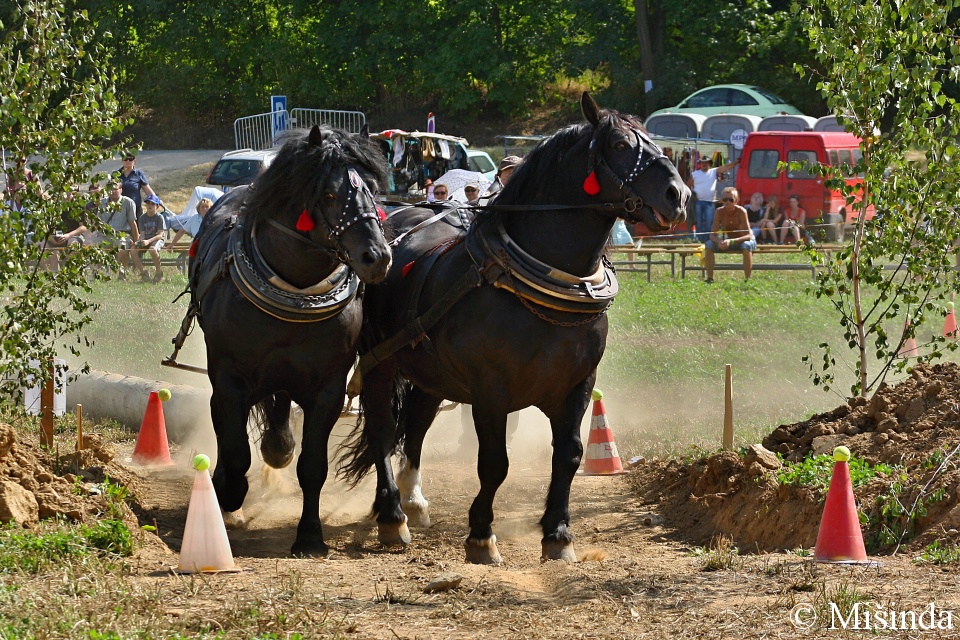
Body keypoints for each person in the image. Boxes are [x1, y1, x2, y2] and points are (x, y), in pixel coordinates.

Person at [703, 187, 757, 282]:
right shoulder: (719, 212)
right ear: (721, 201)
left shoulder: (741, 212)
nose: (727, 202)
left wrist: (731, 241)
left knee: (746, 246)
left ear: (736, 201)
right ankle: (709, 278)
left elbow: (748, 235)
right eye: (725, 199)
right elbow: (712, 235)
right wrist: (720, 241)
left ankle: (748, 279)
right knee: (708, 245)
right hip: (727, 241)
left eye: (731, 200)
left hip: (743, 240)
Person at [686, 154, 739, 242]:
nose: (704, 164)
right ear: (700, 164)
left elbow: (726, 167)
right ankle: (700, 240)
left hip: (709, 202)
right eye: (703, 163)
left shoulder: (714, 171)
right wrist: (692, 195)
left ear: (709, 164)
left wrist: (735, 162)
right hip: (697, 202)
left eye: (706, 163)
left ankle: (708, 240)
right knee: (698, 222)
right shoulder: (695, 174)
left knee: (709, 222)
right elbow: (687, 186)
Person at [93, 180, 140, 277]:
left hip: (122, 234)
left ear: (121, 190)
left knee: (122, 246)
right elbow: (98, 222)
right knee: (92, 245)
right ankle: (95, 274)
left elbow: (132, 223)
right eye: (111, 189)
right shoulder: (102, 203)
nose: (113, 191)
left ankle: (122, 273)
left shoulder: (128, 202)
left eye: (116, 189)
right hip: (105, 235)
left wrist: (136, 241)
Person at [131, 193, 166, 282]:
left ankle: (159, 273)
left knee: (152, 249)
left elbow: (159, 235)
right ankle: (144, 272)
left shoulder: (159, 217)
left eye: (152, 204)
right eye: (148, 203)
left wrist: (148, 241)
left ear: (157, 206)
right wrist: (139, 241)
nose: (150, 206)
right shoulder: (142, 218)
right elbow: (142, 234)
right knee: (133, 250)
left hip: (157, 239)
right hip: (146, 239)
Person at [116, 151, 156, 217]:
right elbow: (110, 191)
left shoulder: (139, 174)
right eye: (125, 159)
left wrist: (156, 200)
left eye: (130, 159)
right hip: (120, 209)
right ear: (122, 161)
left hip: (136, 209)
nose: (128, 161)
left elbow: (148, 191)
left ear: (134, 161)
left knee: (137, 227)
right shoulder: (116, 174)